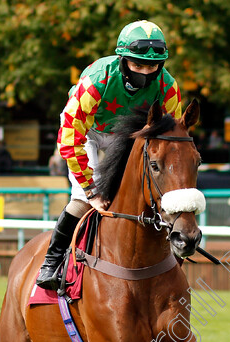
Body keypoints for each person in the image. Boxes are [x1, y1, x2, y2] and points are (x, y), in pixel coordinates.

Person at [35, 20, 182, 290]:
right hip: (87, 131)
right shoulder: (98, 79)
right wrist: (91, 189)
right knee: (83, 198)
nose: (146, 73)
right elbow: (70, 135)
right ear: (123, 59)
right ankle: (51, 261)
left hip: (127, 134)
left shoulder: (168, 86)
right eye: (138, 65)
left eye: (152, 66)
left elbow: (171, 136)